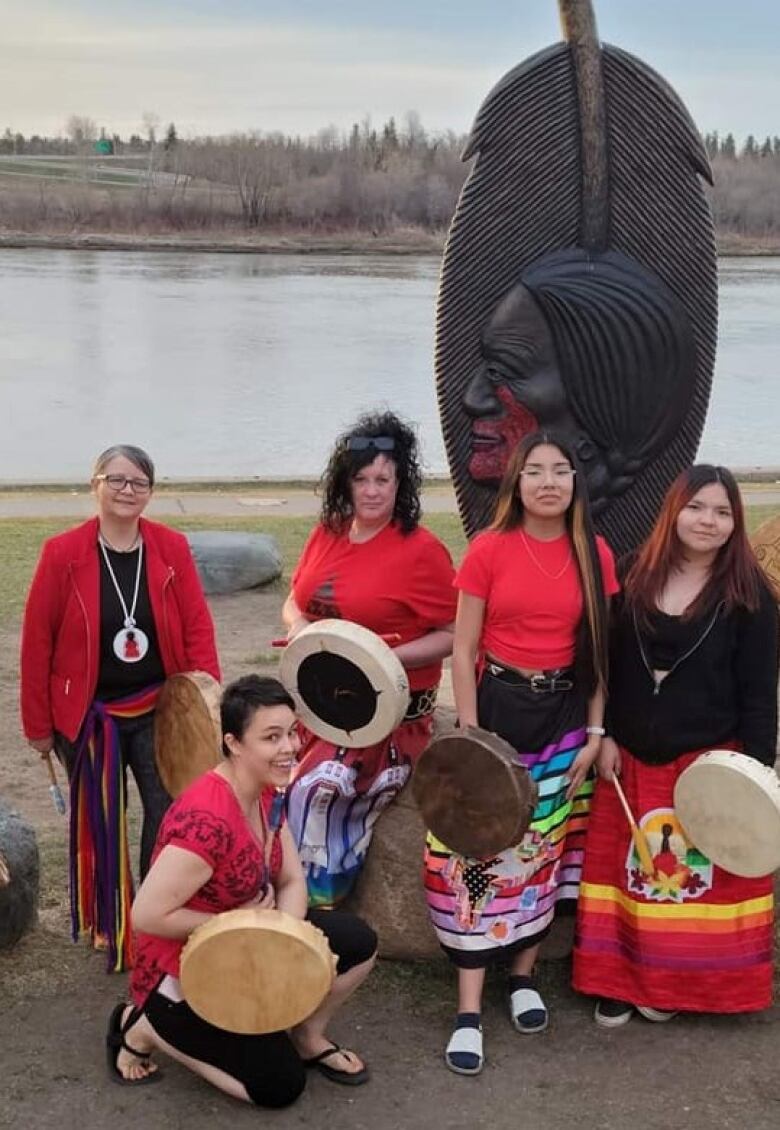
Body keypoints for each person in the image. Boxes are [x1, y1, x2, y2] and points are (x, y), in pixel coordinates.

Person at [425, 430, 618, 1075]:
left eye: (561, 469)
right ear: (515, 483)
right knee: (476, 850)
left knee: (542, 850)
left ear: (574, 482)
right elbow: (461, 648)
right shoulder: (489, 548)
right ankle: (469, 1008)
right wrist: (472, 735)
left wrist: (594, 734)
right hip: (499, 709)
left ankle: (524, 977)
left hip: (564, 719)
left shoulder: (595, 554)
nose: (548, 481)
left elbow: (599, 657)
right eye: (534, 470)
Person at [108, 675, 376, 1107]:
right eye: (272, 737)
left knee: (359, 943)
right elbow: (146, 915)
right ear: (233, 743)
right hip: (185, 970)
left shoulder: (269, 788)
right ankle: (145, 1027)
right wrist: (240, 925)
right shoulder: (207, 821)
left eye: (291, 732)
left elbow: (291, 880)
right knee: (278, 1087)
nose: (289, 747)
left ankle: (306, 1036)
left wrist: (281, 941)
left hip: (245, 943)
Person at [573, 464, 779, 1025]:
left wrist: (753, 780)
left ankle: (683, 987)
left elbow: (762, 695)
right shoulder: (633, 574)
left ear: (736, 522)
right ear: (673, 510)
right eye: (697, 507)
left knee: (695, 887)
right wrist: (606, 733)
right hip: (631, 760)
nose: (708, 521)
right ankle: (616, 982)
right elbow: (608, 667)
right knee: (630, 881)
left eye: (722, 511)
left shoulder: (750, 596)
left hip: (710, 767)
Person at [20, 444, 220, 970]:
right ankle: (113, 925)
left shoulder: (171, 547)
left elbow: (198, 625)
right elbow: (37, 642)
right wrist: (38, 725)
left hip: (161, 708)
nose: (128, 490)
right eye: (118, 480)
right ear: (96, 485)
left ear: (150, 493)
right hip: (86, 718)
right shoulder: (61, 553)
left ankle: (157, 916)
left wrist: (205, 696)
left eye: (139, 482)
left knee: (169, 813)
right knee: (102, 820)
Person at [282, 410, 457, 907]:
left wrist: (379, 658)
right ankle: (272, 896)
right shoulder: (329, 531)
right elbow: (295, 599)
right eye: (362, 478)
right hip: (318, 705)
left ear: (401, 483)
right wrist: (298, 626)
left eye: (384, 478)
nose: (373, 490)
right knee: (264, 776)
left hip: (386, 722)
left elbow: (455, 631)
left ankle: (317, 908)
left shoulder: (421, 551)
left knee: (315, 789)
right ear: (346, 483)